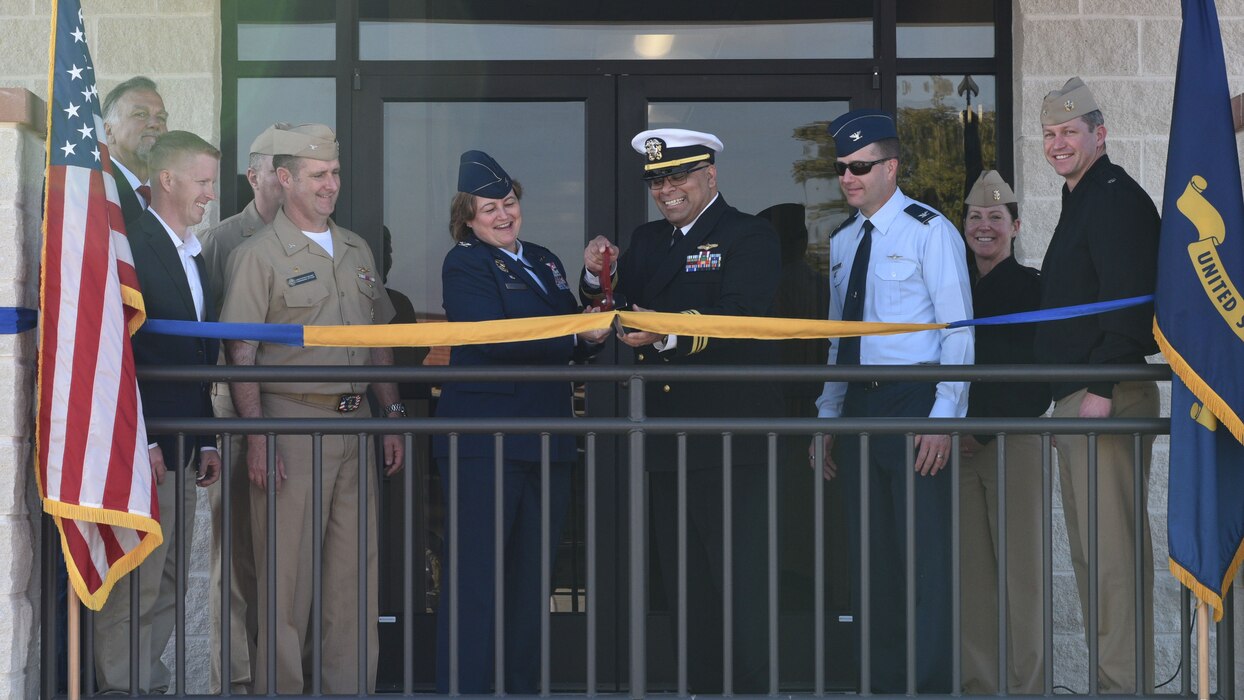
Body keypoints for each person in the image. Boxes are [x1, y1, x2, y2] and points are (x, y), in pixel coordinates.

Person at [581, 128, 782, 693]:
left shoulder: (749, 234)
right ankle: (698, 686)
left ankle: (749, 689)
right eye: (657, 180)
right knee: (685, 584)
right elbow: (617, 308)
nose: (667, 189)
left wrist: (664, 336)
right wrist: (594, 270)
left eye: (678, 176)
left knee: (738, 582)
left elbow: (741, 317)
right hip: (668, 438)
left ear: (710, 176)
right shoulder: (648, 240)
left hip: (729, 434)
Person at [219, 123, 405, 695]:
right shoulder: (257, 255)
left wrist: (392, 413)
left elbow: (378, 340)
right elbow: (240, 351)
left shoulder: (356, 248)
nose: (332, 185)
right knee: (284, 581)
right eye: (319, 175)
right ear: (284, 178)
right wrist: (256, 437)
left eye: (335, 174)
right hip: (290, 427)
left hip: (356, 425)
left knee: (353, 579)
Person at [811, 109, 973, 693]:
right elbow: (838, 336)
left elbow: (958, 331)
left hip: (914, 401)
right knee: (870, 556)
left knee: (922, 559)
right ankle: (880, 682)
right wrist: (828, 416)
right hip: (859, 404)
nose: (848, 177)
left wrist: (945, 418)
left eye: (860, 166)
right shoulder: (843, 240)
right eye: (842, 168)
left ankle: (927, 684)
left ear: (892, 168)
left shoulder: (930, 230)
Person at [433, 150, 607, 693]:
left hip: (548, 437)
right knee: (477, 578)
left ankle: (522, 687)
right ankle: (466, 688)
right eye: (490, 208)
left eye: (509, 202)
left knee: (534, 580)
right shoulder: (463, 263)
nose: (504, 215)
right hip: (486, 440)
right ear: (467, 217)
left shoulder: (544, 258)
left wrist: (591, 284)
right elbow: (496, 337)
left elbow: (569, 341)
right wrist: (575, 334)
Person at [1034, 77, 1160, 693]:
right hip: (1080, 396)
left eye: (1069, 132)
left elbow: (1127, 299)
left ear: (1100, 134)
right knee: (1091, 553)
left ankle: (1122, 686)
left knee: (1111, 556)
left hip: (1103, 395)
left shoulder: (1112, 197)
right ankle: (1114, 681)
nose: (1058, 144)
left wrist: (1102, 387)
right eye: (1050, 134)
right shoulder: (1080, 197)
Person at [93, 130, 221, 694]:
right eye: (203, 181)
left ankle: (147, 680)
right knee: (139, 580)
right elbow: (120, 352)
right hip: (148, 443)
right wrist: (140, 439)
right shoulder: (135, 245)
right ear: (167, 180)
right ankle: (122, 685)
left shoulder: (190, 249)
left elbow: (194, 351)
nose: (209, 194)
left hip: (186, 439)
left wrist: (209, 436)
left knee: (171, 580)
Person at [199, 121, 289, 695]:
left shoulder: (322, 239)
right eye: (274, 172)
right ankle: (234, 679)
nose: (284, 184)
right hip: (233, 409)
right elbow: (210, 335)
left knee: (283, 557)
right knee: (233, 556)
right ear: (253, 175)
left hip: (292, 413)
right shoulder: (224, 239)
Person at [957, 171, 1051, 694]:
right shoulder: (953, 285)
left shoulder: (1032, 287)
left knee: (1023, 577)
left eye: (996, 218)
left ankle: (1028, 688)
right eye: (975, 217)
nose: (985, 226)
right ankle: (979, 686)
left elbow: (1036, 378)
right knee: (973, 579)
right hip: (958, 444)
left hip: (1012, 439)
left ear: (1016, 227)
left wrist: (983, 430)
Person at [102, 76, 168, 224]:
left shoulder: (169, 190)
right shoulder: (93, 188)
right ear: (108, 131)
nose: (155, 124)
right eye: (140, 114)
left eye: (161, 118)